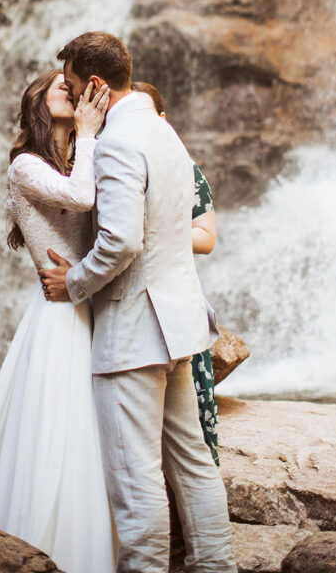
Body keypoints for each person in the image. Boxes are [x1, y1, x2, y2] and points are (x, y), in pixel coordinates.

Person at [41, 32, 236, 573]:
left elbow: (122, 240)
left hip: (134, 331)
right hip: (180, 325)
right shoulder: (164, 132)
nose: (76, 97)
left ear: (96, 86)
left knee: (136, 477)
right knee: (194, 464)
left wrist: (73, 282)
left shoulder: (118, 141)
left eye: (77, 87)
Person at [0, 71, 116, 573]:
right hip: (60, 316)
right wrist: (88, 134)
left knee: (94, 428)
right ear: (36, 105)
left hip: (90, 300)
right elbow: (82, 199)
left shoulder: (79, 155)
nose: (72, 89)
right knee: (61, 428)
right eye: (59, 87)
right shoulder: (25, 164)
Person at [131, 80, 220, 466]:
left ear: (163, 119)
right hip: (124, 302)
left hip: (172, 299)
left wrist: (149, 229)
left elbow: (206, 237)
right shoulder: (109, 160)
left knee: (190, 421)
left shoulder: (185, 168)